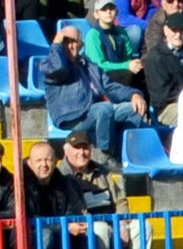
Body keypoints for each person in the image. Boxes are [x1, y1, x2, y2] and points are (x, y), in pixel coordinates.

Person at [41, 18, 148, 160]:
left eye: (74, 42)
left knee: (133, 109)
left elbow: (110, 86)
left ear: (81, 45)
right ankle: (105, 156)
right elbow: (57, 68)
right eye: (66, 42)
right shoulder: (50, 65)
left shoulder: (89, 65)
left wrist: (133, 94)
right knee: (104, 109)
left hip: (96, 112)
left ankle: (125, 156)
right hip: (73, 116)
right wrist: (56, 44)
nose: (70, 46)